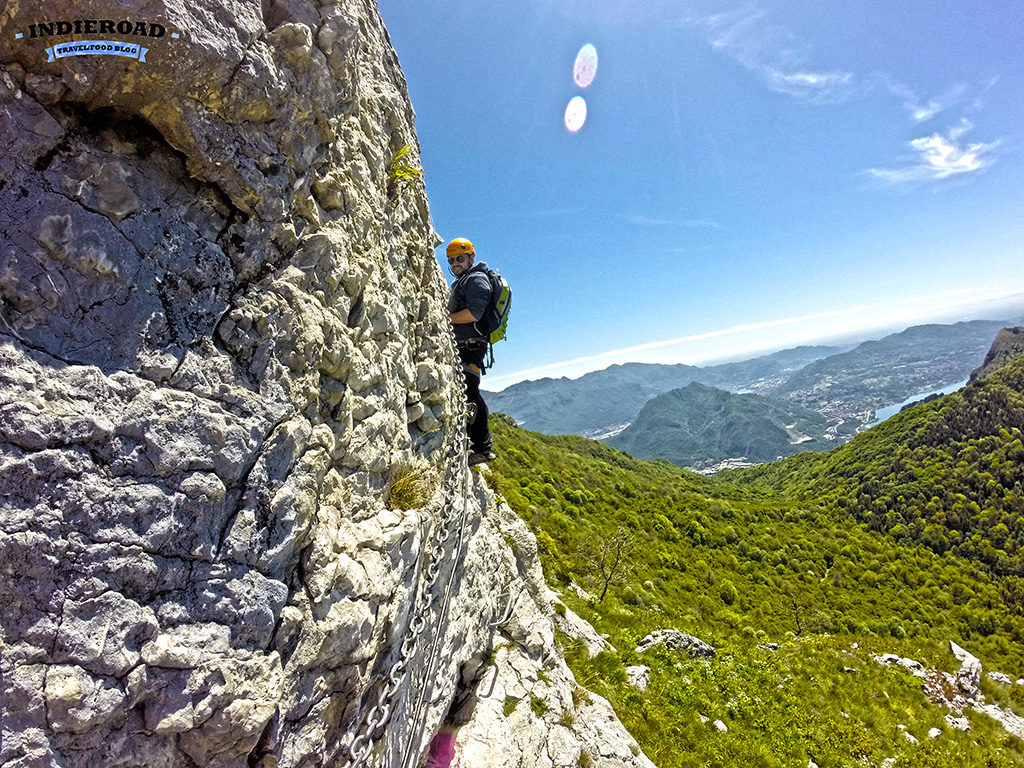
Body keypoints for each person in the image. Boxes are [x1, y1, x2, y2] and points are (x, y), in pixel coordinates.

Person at [446, 237, 495, 466]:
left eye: (460, 258)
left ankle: (483, 449)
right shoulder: (463, 280)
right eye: (452, 260)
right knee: (470, 393)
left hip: (472, 347)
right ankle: (481, 446)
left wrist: (445, 318)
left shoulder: (476, 279)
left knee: (471, 394)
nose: (455, 263)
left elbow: (474, 313)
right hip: (467, 345)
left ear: (471, 257)